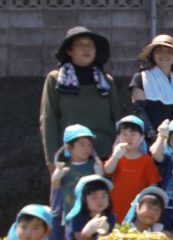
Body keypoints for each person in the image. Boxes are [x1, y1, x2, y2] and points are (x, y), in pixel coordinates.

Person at [40, 26, 120, 173]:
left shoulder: (106, 81)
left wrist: (118, 152)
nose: (86, 49)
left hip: (104, 156)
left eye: (90, 45)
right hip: (70, 158)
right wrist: (52, 159)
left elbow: (117, 118)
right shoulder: (55, 79)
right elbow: (48, 118)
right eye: (80, 45)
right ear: (69, 50)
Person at [48, 124, 103, 240]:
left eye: (89, 145)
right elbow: (56, 187)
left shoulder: (93, 165)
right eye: (82, 145)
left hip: (91, 214)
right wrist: (56, 176)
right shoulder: (63, 166)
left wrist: (100, 173)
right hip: (70, 215)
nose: (87, 148)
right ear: (69, 147)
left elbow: (102, 187)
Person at [130, 34, 173, 143]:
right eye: (159, 50)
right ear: (152, 54)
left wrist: (170, 137)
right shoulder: (140, 78)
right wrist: (153, 136)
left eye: (169, 51)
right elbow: (139, 110)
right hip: (145, 138)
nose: (164, 54)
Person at [104, 115, 162, 221]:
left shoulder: (146, 160)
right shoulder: (116, 156)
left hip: (136, 210)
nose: (128, 137)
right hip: (114, 207)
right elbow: (107, 171)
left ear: (141, 137)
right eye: (124, 134)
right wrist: (115, 156)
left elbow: (153, 185)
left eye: (133, 134)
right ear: (118, 137)